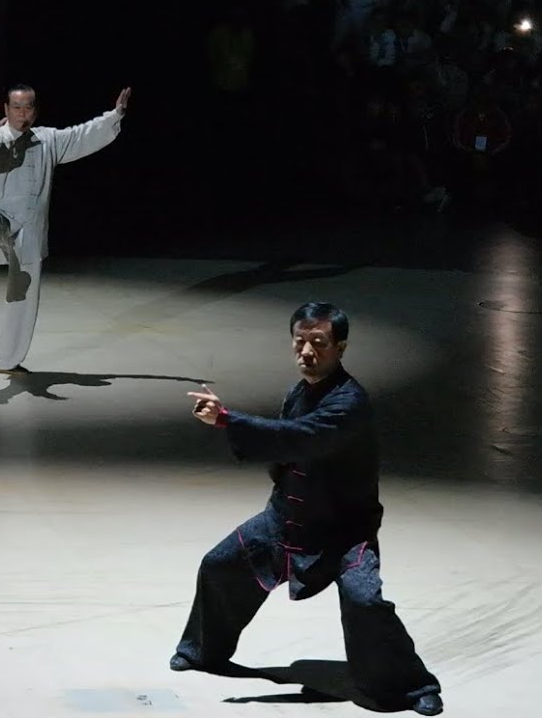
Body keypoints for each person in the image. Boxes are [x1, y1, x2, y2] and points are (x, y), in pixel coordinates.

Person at [172, 302, 444, 716]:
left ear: (341, 347)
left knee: (365, 602)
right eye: (300, 342)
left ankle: (411, 687)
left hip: (344, 534)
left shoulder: (349, 403)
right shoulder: (300, 392)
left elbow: (299, 438)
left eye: (318, 343)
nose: (306, 352)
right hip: (286, 521)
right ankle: (201, 651)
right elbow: (285, 450)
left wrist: (228, 419)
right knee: (220, 564)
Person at [0, 84, 131, 374]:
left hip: (30, 224)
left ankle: (5, 360)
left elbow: (81, 135)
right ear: (6, 109)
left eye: (27, 107)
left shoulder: (47, 139)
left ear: (35, 111)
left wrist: (113, 116)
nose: (22, 113)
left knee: (23, 293)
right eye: (16, 107)